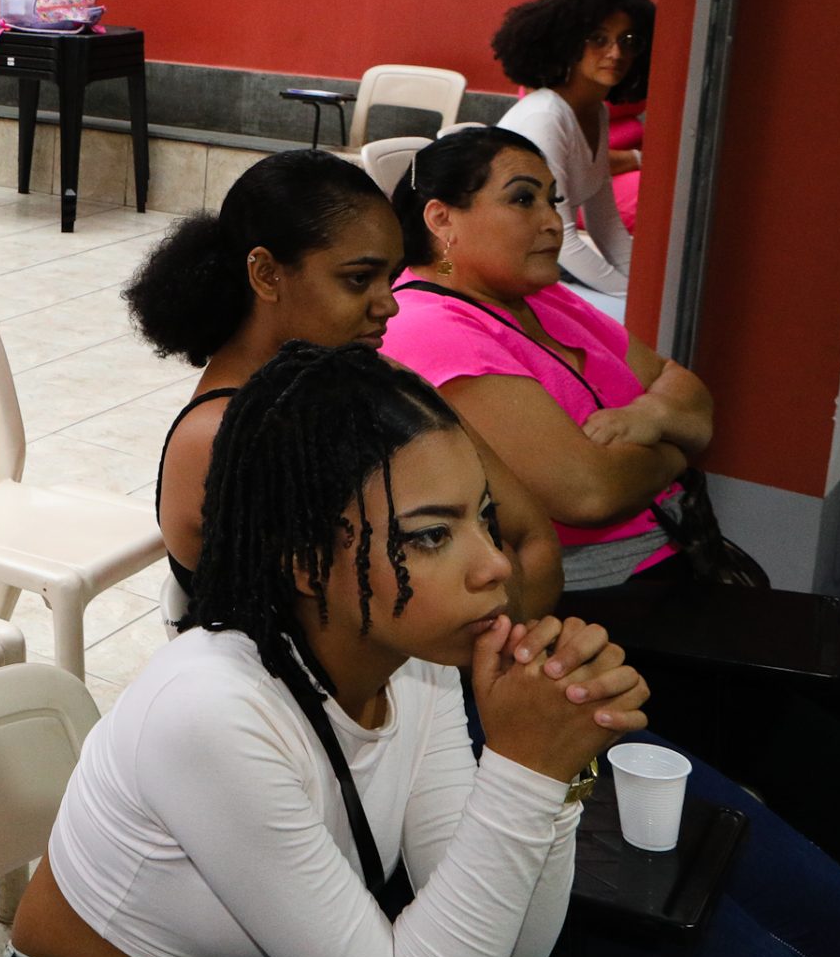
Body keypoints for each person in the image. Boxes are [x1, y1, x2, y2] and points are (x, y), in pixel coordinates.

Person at [381, 128, 840, 957]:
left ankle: (828, 922)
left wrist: (653, 429)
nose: (552, 220)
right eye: (522, 198)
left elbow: (695, 397)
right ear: (441, 218)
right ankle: (817, 936)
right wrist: (666, 439)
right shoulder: (434, 328)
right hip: (609, 603)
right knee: (828, 761)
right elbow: (587, 491)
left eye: (553, 197)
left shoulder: (544, 302)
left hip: (674, 571)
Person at [5, 342, 650, 957]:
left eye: (484, 519)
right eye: (431, 536)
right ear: (308, 563)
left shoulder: (416, 667)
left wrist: (554, 774)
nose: (496, 566)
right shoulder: (209, 711)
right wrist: (525, 769)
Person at [130, 149, 561, 620]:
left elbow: (532, 537)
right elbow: (384, 614)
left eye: (391, 278)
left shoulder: (377, 380)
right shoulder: (223, 436)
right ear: (267, 273)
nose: (390, 305)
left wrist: (515, 644)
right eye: (359, 279)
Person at [490, 0, 654, 309]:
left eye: (629, 40)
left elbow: (605, 225)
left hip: (533, 264)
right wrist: (631, 299)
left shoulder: (597, 113)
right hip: (487, 273)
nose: (615, 52)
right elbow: (560, 237)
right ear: (569, 43)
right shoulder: (546, 117)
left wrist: (644, 292)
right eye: (598, 38)